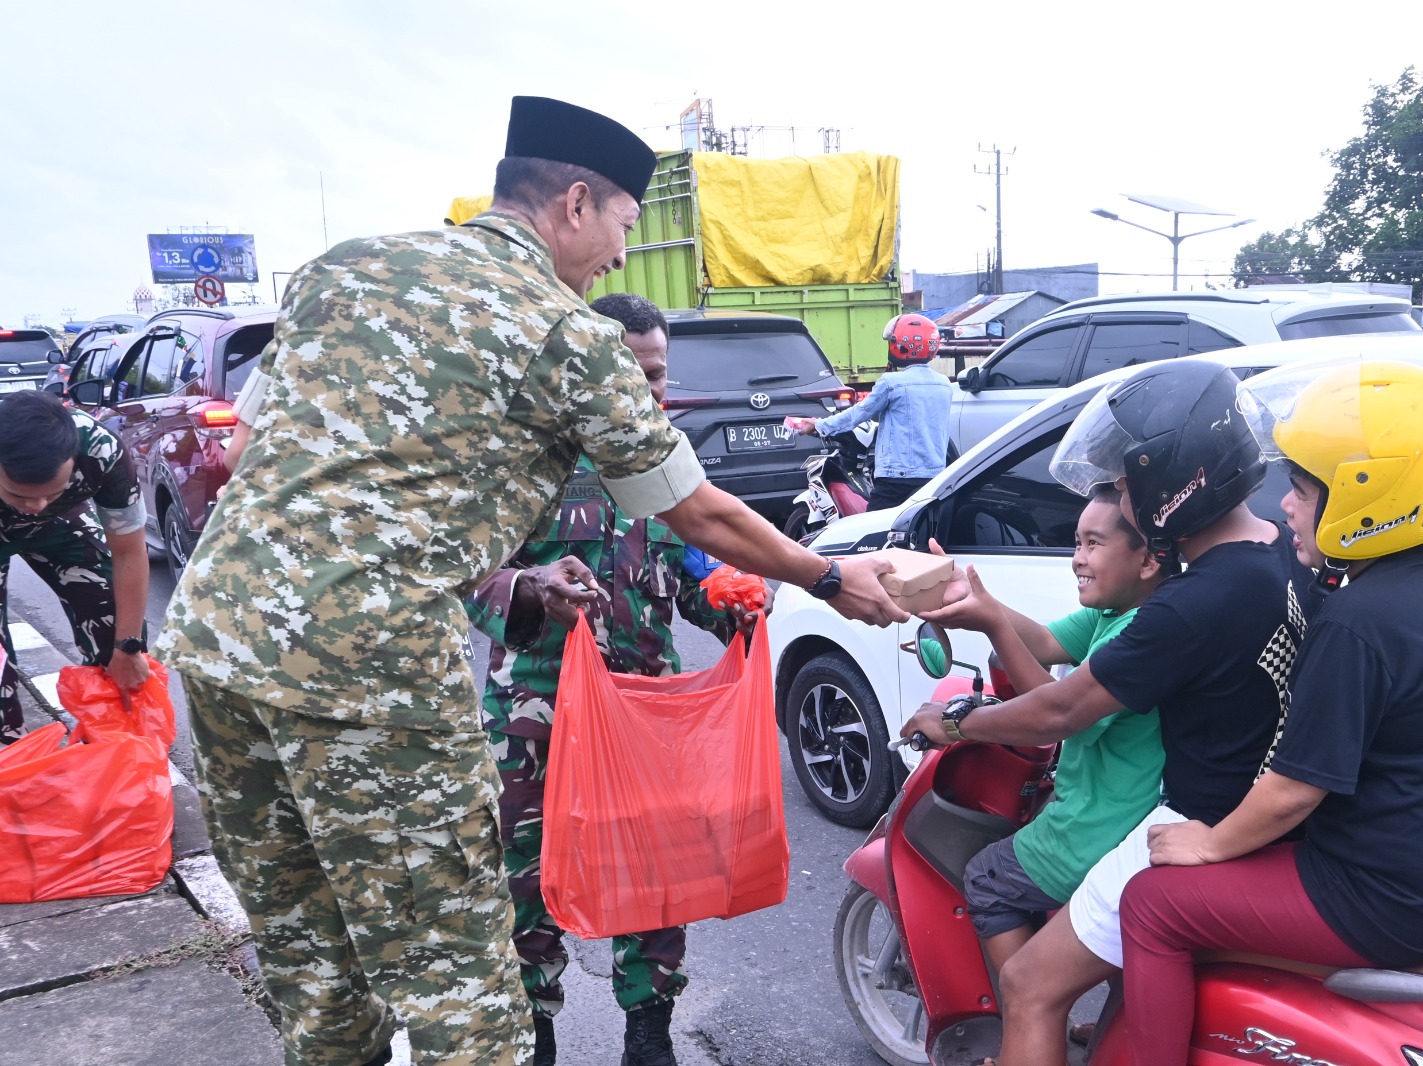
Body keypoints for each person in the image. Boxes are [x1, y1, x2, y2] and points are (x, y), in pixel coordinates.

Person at [155, 96, 906, 1066]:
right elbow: (695, 508)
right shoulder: (565, 333)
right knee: (473, 1008)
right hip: (369, 667)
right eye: (626, 228)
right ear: (577, 204)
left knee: (322, 985)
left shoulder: (339, 273)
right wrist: (830, 574)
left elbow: (252, 452)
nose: (623, 259)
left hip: (218, 646)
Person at [1119, 359, 1423, 1066]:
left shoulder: (1363, 621)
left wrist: (1207, 844)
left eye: (1305, 488)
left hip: (1397, 899)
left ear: (1367, 499)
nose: (1286, 504)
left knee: (1152, 904)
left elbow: (1290, 793)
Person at [899, 359, 1311, 1066]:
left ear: (1175, 481)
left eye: (1128, 480)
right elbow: (1064, 653)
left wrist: (957, 722)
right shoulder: (1278, 551)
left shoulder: (1191, 605)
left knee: (1029, 983)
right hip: (1251, 813)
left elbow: (1061, 711)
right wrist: (988, 610)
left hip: (1189, 823)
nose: (1124, 491)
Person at [464, 291, 761, 1066]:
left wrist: (735, 601)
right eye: (631, 373)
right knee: (528, 876)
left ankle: (649, 1030)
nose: (648, 391)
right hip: (539, 709)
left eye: (657, 375)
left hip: (643, 712)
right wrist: (528, 592)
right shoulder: (528, 463)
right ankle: (537, 1032)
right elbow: (467, 577)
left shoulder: (674, 471)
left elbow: (694, 577)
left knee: (656, 871)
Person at [918, 483, 1165, 979]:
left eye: (1093, 544)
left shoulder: (1138, 633)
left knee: (987, 880)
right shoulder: (1115, 611)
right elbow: (1048, 640)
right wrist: (975, 601)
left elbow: (1053, 714)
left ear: (1148, 560)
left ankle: (1030, 1023)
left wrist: (989, 630)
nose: (1078, 558)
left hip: (1098, 827)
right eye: (1076, 543)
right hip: (1117, 816)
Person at [0, 391, 150, 741]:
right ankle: (13, 768)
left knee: (117, 632)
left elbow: (129, 552)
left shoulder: (101, 449)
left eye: (50, 492)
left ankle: (112, 753)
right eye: (19, 495)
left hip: (63, 524)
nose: (34, 505)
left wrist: (128, 646)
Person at [792, 313, 952, 511]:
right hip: (934, 475)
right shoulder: (945, 384)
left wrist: (818, 425)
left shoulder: (891, 383)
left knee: (872, 531)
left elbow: (857, 414)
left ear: (900, 345)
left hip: (897, 480)